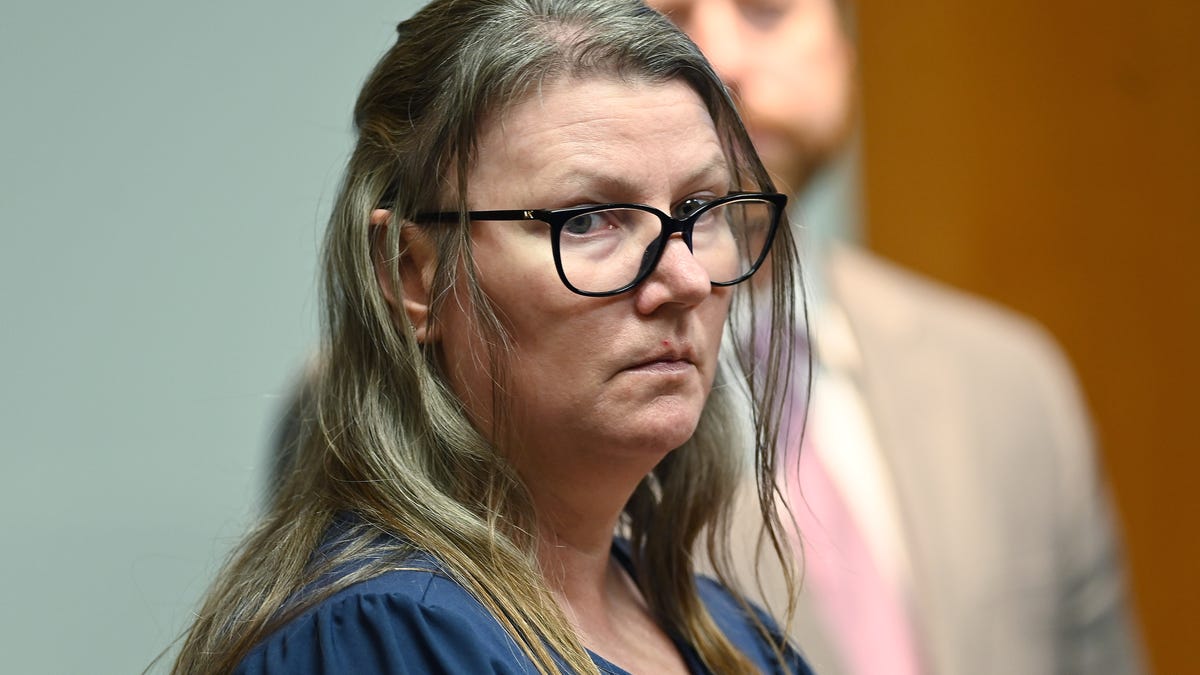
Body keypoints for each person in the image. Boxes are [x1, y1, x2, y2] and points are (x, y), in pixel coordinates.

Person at [170, 1, 816, 673]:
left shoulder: (739, 638)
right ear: (413, 272)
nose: (685, 279)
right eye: (587, 218)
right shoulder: (383, 636)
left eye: (699, 209)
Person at [646, 1, 1146, 674]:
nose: (723, 59)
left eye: (767, 10)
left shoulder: (1013, 384)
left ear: (843, 48)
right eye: (670, 16)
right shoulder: (569, 427)